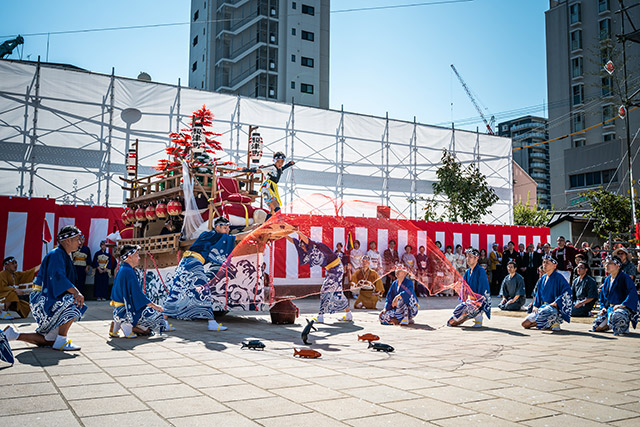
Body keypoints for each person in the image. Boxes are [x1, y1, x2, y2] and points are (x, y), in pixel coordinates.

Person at [3, 226, 87, 351]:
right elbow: (58, 277)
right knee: (75, 301)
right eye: (77, 239)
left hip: (46, 297)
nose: (79, 242)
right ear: (68, 240)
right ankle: (62, 340)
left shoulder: (62, 254)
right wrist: (76, 292)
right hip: (43, 299)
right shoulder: (56, 254)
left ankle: (13, 335)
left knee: (48, 340)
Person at [164, 217, 240, 331]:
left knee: (176, 291)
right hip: (194, 263)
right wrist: (255, 230)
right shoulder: (216, 235)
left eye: (228, 228)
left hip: (185, 262)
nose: (227, 230)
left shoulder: (207, 235)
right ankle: (211, 323)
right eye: (225, 228)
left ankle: (163, 322)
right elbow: (237, 237)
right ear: (217, 227)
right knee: (203, 290)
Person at [288, 232, 351, 323]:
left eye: (303, 246)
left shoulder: (315, 245)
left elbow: (306, 239)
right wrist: (283, 234)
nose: (302, 249)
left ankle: (320, 316)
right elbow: (294, 241)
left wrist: (297, 231)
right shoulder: (305, 247)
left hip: (336, 268)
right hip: (332, 269)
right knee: (337, 292)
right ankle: (348, 314)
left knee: (324, 290)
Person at [109, 245, 166, 338]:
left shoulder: (122, 268)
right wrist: (155, 306)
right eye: (137, 255)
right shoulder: (128, 271)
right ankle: (126, 325)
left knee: (148, 322)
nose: (139, 258)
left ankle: (117, 325)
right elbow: (138, 295)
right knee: (158, 318)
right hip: (126, 311)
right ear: (129, 256)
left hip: (118, 310)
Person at [522, 255, 572, 331]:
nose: (544, 264)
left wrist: (556, 302)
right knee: (525, 324)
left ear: (554, 266)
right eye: (544, 262)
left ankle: (554, 321)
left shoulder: (559, 277)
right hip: (543, 307)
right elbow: (538, 294)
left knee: (546, 313)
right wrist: (535, 305)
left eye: (547, 263)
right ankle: (547, 323)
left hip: (553, 308)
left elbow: (567, 291)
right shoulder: (542, 278)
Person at [592, 256, 639, 336]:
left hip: (622, 308)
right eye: (606, 263)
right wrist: (603, 307)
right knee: (596, 326)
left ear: (617, 265)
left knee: (618, 315)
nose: (606, 265)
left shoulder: (625, 277)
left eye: (609, 263)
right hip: (610, 308)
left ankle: (623, 325)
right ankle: (610, 324)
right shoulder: (607, 279)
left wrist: (623, 304)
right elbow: (603, 296)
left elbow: (632, 293)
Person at [448, 249, 491, 327]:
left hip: (477, 302)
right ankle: (474, 315)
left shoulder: (481, 270)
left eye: (470, 257)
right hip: (469, 301)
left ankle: (478, 316)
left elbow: (483, 288)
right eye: (467, 256)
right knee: (452, 321)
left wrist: (478, 302)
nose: (468, 259)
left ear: (476, 258)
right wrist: (464, 299)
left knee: (460, 316)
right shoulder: (467, 272)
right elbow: (464, 288)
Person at [245, 152, 295, 220]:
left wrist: (289, 164)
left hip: (272, 187)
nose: (280, 164)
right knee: (276, 204)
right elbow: (259, 170)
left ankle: (267, 223)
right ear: (274, 161)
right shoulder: (271, 167)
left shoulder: (279, 168)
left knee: (272, 209)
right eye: (278, 161)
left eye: (282, 162)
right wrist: (248, 170)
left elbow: (282, 168)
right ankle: (281, 220)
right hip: (267, 187)